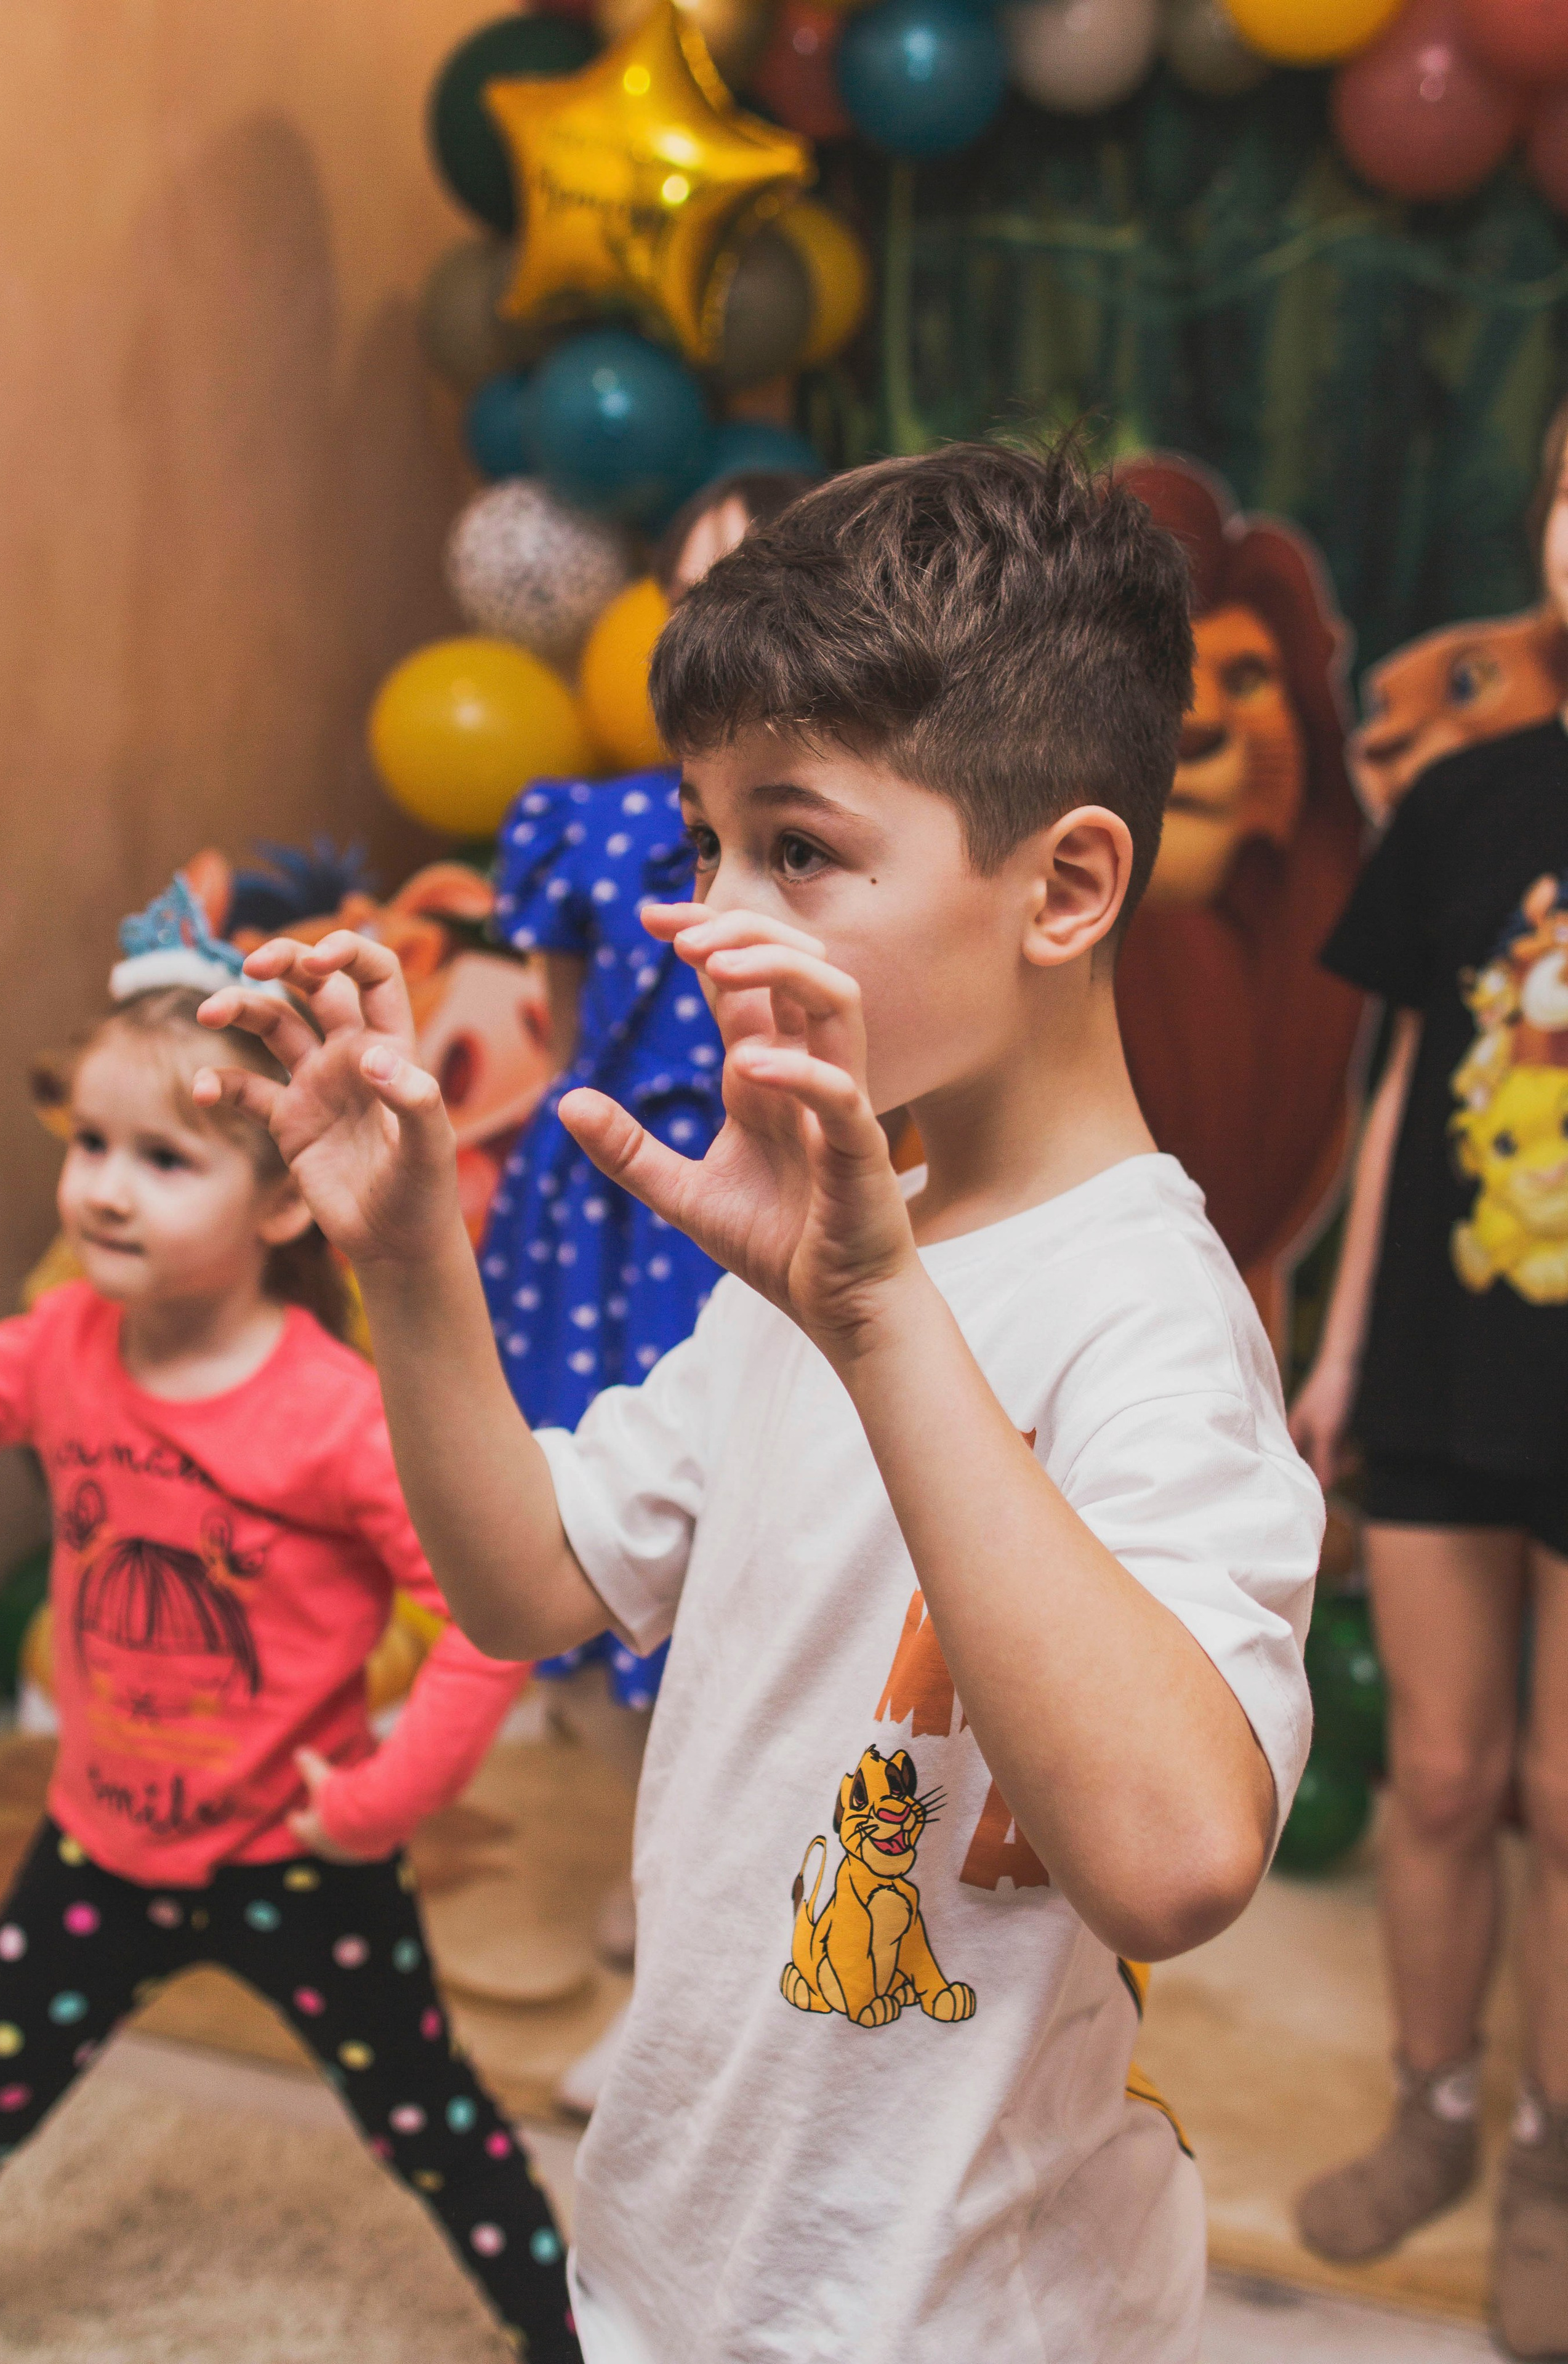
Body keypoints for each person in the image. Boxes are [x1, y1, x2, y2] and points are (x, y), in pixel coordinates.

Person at [197, 442, 1320, 2364]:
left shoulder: (1140, 1316)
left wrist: (876, 1318)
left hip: (954, 2320)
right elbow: (527, 1585)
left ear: (1063, 887)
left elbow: (1174, 1857)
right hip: (679, 2260)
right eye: (701, 840)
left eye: (797, 849)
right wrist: (406, 1257)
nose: (704, 918)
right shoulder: (843, 1236)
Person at [0, 880, 579, 2363]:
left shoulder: (338, 1416)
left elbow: (487, 1619)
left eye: (164, 1159)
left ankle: (571, 2335)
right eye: (92, 1146)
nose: (105, 1189)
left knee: (429, 2120)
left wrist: (386, 1795)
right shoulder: (61, 1344)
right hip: (98, 1845)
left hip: (300, 1862)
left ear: (276, 1205)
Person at [476, 469, 818, 2083]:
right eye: (698, 594)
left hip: (757, 1204)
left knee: (735, 1574)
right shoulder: (590, 822)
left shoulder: (848, 845)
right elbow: (563, 1030)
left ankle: (698, 1935)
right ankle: (648, 1874)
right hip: (594, 1210)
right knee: (588, 1542)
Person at [1289, 412, 1568, 2361]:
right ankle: (1432, 2106)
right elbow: (1399, 1096)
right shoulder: (1471, 801)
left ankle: (1549, 2160)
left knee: (1565, 1794)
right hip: (1448, 1364)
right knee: (1447, 1775)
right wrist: (1341, 1352)